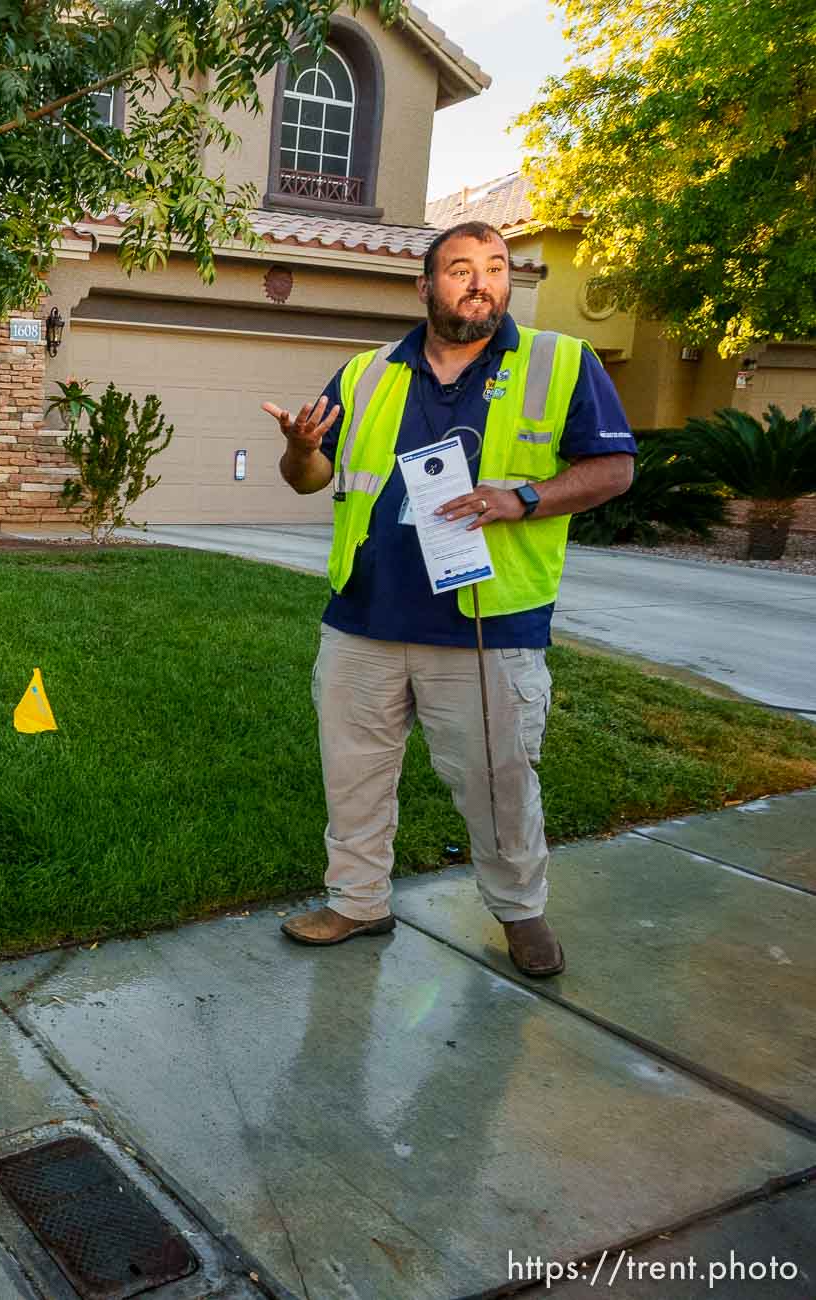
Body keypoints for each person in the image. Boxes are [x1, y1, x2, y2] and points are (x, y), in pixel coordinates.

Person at [260, 220, 635, 977]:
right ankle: (357, 899)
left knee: (498, 780)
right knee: (354, 770)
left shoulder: (561, 363)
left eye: (495, 268)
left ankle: (520, 910)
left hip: (487, 623)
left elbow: (613, 470)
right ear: (425, 285)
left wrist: (523, 497)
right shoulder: (369, 373)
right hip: (365, 615)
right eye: (461, 269)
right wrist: (301, 449)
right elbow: (310, 477)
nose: (481, 282)